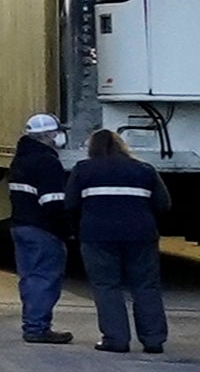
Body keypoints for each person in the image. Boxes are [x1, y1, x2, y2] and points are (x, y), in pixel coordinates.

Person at [69, 127, 173, 354]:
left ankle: (115, 339)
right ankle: (153, 340)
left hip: (97, 236)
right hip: (141, 235)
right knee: (146, 286)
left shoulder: (83, 170)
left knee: (106, 286)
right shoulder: (145, 169)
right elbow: (163, 204)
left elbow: (71, 204)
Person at [2, 114, 77, 342]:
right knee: (44, 279)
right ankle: (37, 328)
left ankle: (33, 324)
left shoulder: (20, 159)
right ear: (48, 135)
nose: (59, 137)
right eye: (56, 132)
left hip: (21, 225)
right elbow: (53, 203)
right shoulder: (47, 161)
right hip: (42, 229)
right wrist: (66, 231)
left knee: (30, 278)